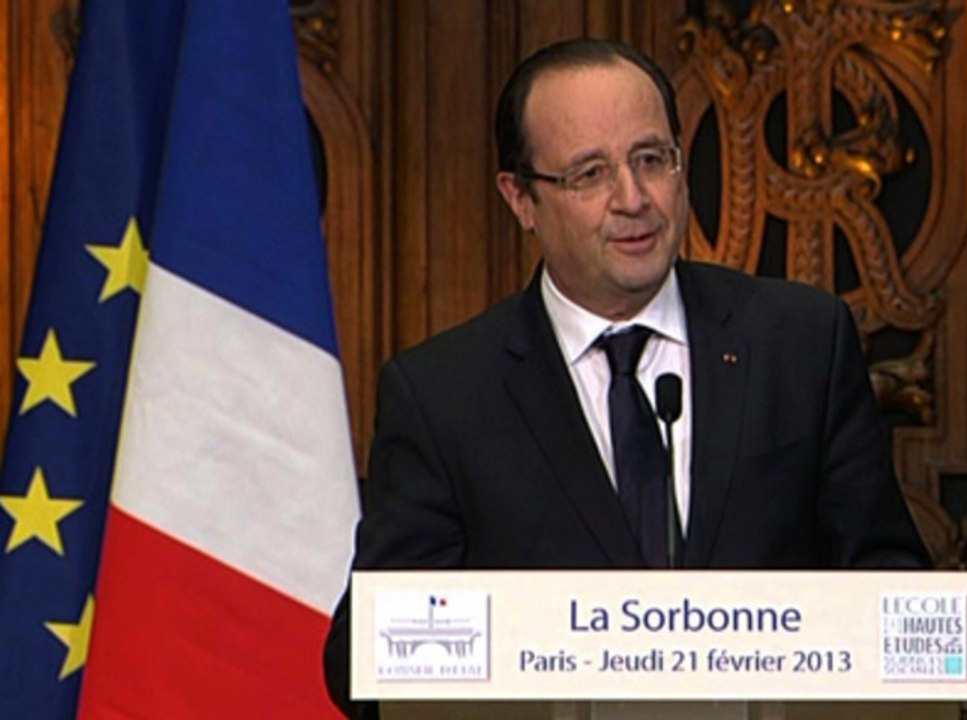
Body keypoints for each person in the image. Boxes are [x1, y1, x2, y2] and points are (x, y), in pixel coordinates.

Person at [323, 37, 929, 716]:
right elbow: (361, 660)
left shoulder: (801, 343)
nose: (633, 198)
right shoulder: (444, 395)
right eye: (589, 174)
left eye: (652, 160)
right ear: (521, 199)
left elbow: (890, 590)